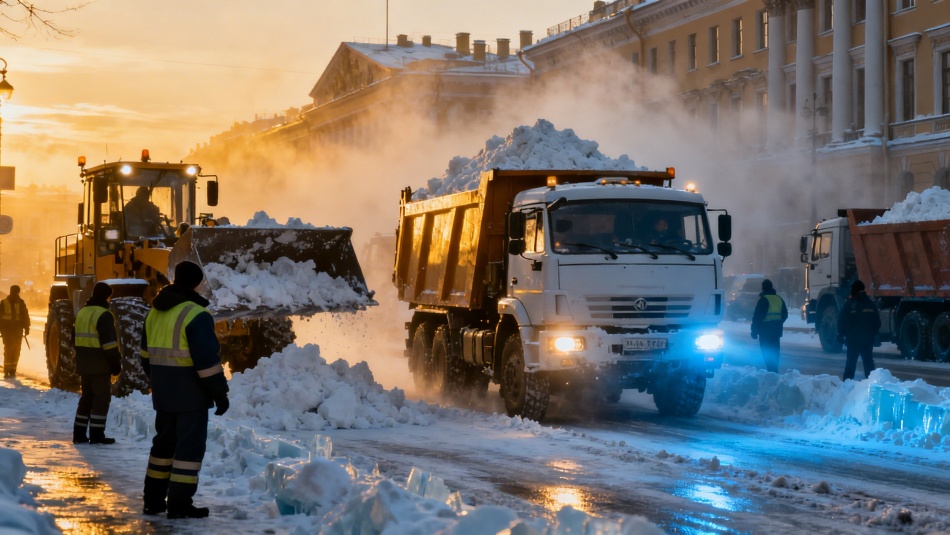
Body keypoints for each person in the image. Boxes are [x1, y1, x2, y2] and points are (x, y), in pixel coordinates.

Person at [140, 261, 228, 519]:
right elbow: (207, 362)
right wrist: (219, 393)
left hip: (164, 393)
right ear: (198, 283)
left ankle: (153, 501)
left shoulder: (154, 312)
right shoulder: (196, 314)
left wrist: (159, 381)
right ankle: (179, 504)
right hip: (191, 396)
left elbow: (145, 356)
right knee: (188, 451)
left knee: (162, 448)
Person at [73, 282, 122, 445]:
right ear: (107, 296)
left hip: (84, 361)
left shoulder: (82, 312)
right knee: (101, 399)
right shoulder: (104, 314)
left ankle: (79, 434)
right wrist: (115, 364)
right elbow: (109, 344)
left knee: (86, 398)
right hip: (99, 363)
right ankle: (96, 434)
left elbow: (74, 338)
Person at [837, 279, 881, 381]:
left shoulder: (850, 304)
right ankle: (871, 385)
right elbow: (877, 323)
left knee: (850, 365)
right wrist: (873, 334)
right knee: (869, 365)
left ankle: (846, 387)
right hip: (867, 341)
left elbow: (842, 321)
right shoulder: (870, 303)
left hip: (853, 341)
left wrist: (841, 335)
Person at [750, 279, 788, 373]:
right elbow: (785, 314)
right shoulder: (779, 299)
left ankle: (770, 371)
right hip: (776, 331)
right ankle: (774, 370)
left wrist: (754, 331)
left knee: (766, 351)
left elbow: (757, 317)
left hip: (765, 331)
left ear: (763, 288)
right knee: (775, 351)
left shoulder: (763, 300)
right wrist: (779, 322)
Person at [0, 285, 30, 379]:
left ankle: (9, 370)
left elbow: (25, 315)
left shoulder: (4, 302)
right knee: (15, 350)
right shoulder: (20, 302)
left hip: (8, 330)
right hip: (15, 330)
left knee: (9, 349)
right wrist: (27, 327)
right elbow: (25, 315)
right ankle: (11, 370)